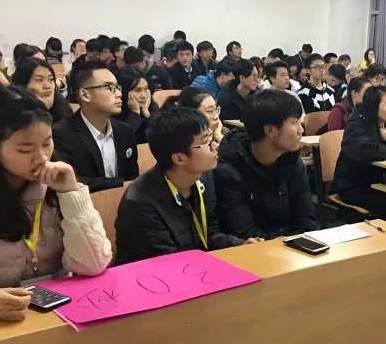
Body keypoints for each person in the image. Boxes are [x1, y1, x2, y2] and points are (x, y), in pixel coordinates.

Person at [0, 85, 111, 318]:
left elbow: (93, 265)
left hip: (57, 313)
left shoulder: (56, 184)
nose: (42, 158)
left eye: (47, 143)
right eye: (25, 149)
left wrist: (71, 193)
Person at [115, 107, 258, 264]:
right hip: (159, 274)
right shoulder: (140, 203)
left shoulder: (203, 176)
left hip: (196, 267)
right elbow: (166, 263)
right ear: (179, 158)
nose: (215, 146)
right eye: (206, 141)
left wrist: (240, 245)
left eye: (211, 137)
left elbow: (209, 234)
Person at [214, 89, 317, 239]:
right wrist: (282, 242)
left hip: (292, 245)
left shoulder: (293, 162)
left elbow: (307, 220)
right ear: (270, 131)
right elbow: (244, 232)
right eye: (294, 122)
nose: (301, 130)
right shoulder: (229, 170)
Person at [53, 60, 138, 192]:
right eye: (109, 87)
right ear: (85, 94)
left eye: (117, 87)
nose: (119, 94)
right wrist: (121, 184)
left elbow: (132, 177)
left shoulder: (125, 131)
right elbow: (73, 181)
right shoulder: (62, 134)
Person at [333, 86, 386, 224]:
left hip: (378, 180)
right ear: (374, 107)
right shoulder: (357, 122)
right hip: (353, 184)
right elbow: (363, 150)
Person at [11, 58, 73, 123]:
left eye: (51, 79)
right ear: (23, 84)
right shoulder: (14, 110)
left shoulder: (60, 104)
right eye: (39, 80)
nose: (47, 86)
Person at [163, 86, 227, 145]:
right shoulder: (187, 142)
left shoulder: (222, 132)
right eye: (209, 111)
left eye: (216, 109)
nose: (216, 117)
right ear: (192, 114)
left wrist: (219, 136)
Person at [116, 66, 159, 144]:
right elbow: (122, 141)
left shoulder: (150, 105)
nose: (143, 95)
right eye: (137, 90)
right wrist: (135, 114)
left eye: (146, 89)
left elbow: (159, 137)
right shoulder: (114, 111)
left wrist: (147, 114)